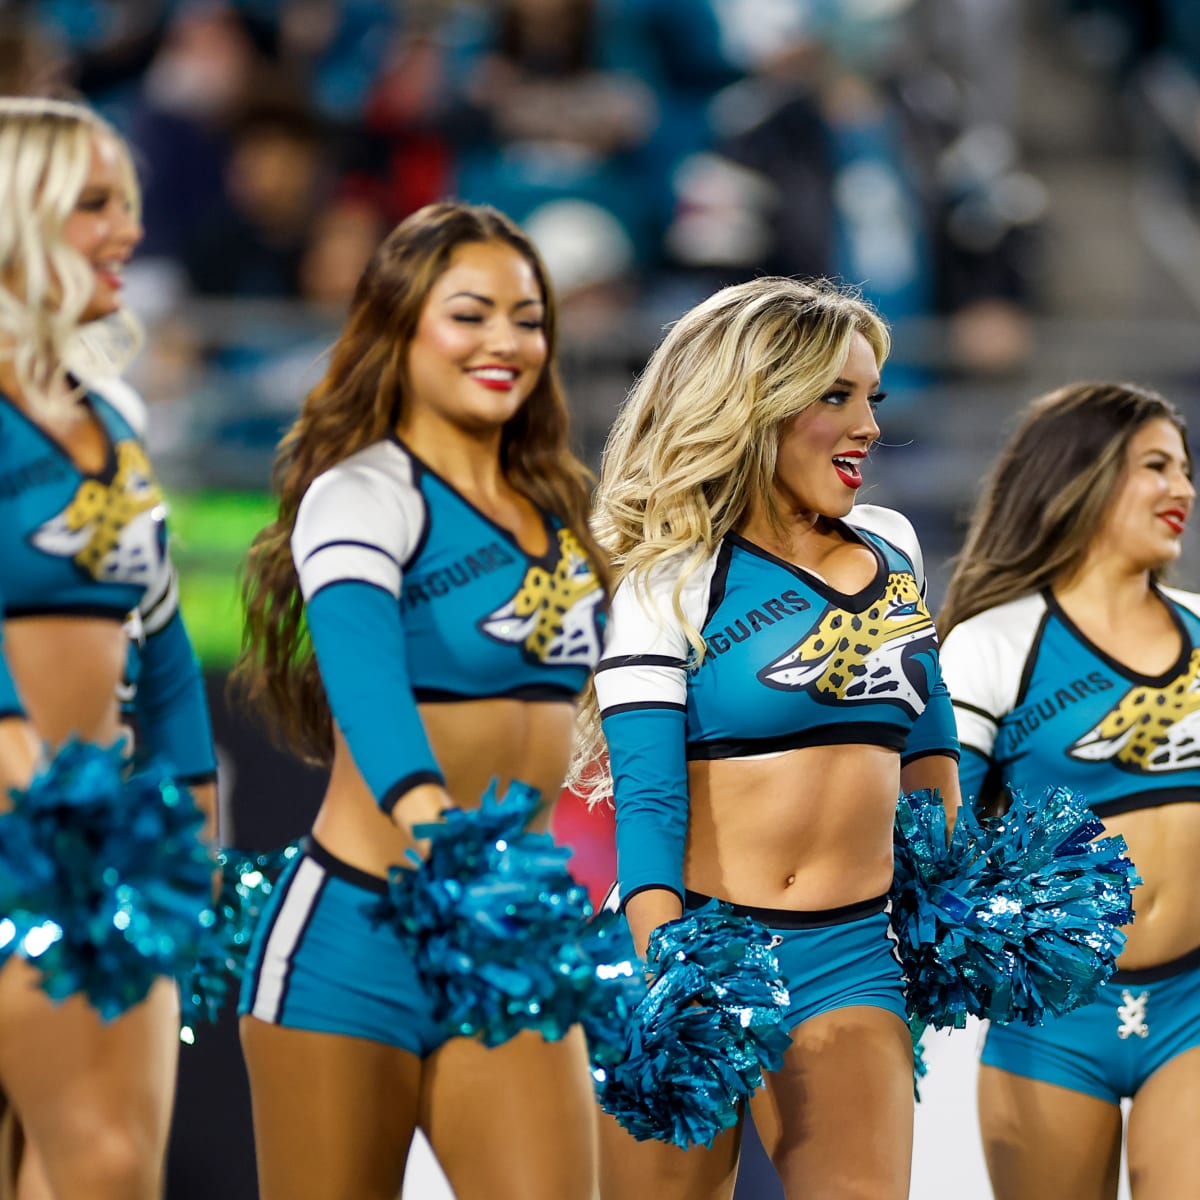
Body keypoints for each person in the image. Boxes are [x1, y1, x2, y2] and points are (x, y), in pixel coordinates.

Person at [234, 199, 610, 1200]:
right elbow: (366, 683)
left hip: (504, 937)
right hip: (356, 935)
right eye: (471, 313)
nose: (506, 342)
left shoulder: (557, 512)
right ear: (400, 327)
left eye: (528, 319)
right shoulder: (363, 494)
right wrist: (431, 818)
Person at [574, 275, 961, 1199]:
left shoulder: (893, 545)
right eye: (836, 396)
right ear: (757, 405)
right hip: (689, 941)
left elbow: (931, 746)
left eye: (872, 395)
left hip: (851, 956)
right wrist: (669, 979)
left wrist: (953, 900)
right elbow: (652, 800)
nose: (867, 423)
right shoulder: (670, 580)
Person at [0, 97, 217, 1199]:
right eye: (92, 205)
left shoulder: (114, 417)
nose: (126, 231)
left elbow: (162, 628)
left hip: (93, 851)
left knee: (103, 1167)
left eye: (126, 203)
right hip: (25, 828)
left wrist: (188, 793)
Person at [938, 381, 1200, 1200]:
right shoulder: (995, 644)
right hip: (1052, 1023)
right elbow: (937, 840)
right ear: (1080, 475)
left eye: (1187, 471)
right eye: (1156, 466)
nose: (1183, 491)